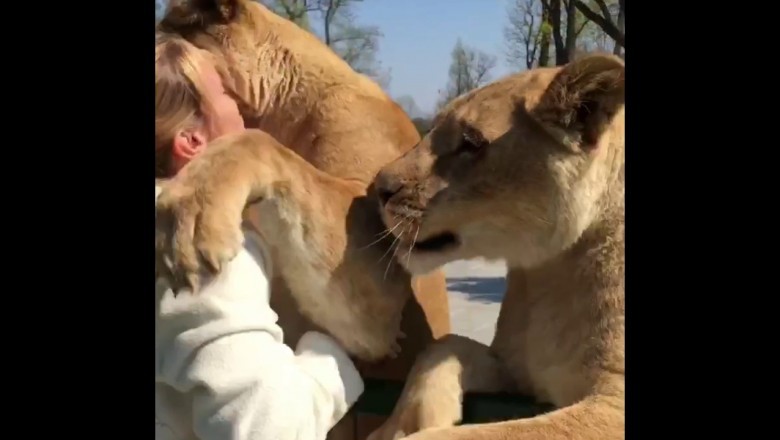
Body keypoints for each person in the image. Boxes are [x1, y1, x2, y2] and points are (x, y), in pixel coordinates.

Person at [154, 32, 364, 440]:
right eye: (230, 97)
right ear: (192, 140)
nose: (249, 113)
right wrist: (333, 357)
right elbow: (267, 429)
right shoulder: (201, 243)